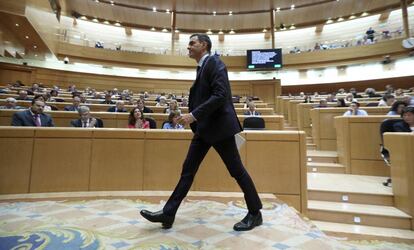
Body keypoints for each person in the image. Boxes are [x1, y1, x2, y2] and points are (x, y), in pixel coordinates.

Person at [140, 34, 263, 231]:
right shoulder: (203, 67)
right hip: (204, 130)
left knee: (237, 171)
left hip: (220, 129)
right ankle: (168, 213)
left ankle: (255, 213)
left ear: (204, 45)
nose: (188, 47)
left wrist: (194, 115)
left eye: (192, 43)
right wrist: (196, 117)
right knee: (187, 170)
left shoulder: (214, 62)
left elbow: (221, 95)